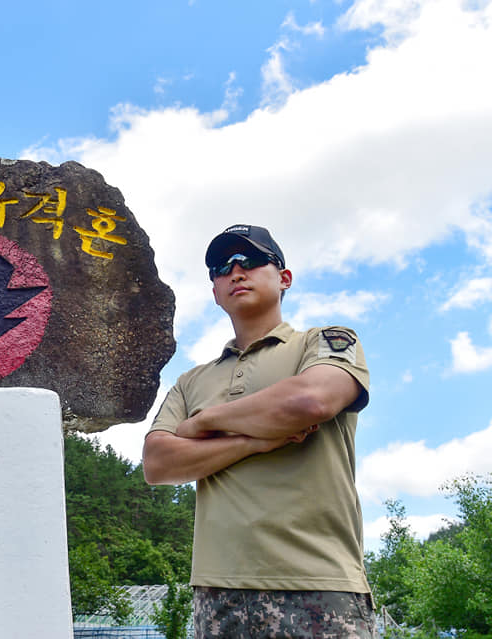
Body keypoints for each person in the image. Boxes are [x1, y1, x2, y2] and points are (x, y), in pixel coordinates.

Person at [143, 224, 375, 638]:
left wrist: (203, 422)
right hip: (217, 592)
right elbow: (158, 462)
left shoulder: (323, 342)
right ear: (214, 291)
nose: (235, 272)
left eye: (249, 261)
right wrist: (253, 440)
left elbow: (310, 402)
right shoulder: (191, 380)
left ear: (284, 278)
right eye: (221, 267)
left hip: (318, 584)